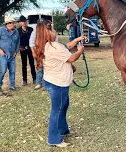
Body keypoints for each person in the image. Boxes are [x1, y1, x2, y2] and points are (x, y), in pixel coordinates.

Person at [35, 18, 85, 147]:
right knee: (57, 110)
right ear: (48, 32)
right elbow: (71, 57)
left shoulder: (47, 45)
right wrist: (79, 51)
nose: (55, 31)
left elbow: (66, 47)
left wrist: (76, 40)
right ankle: (54, 139)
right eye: (52, 28)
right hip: (59, 84)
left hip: (52, 82)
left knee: (63, 106)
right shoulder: (54, 47)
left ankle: (63, 130)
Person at [0, 16, 20, 93]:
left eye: (14, 23)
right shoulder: (0, 30)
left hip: (12, 55)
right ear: (8, 23)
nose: (14, 24)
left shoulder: (16, 32)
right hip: (3, 55)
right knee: (3, 70)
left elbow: (18, 42)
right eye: (12, 23)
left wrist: (16, 51)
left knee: (12, 71)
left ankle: (12, 86)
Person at [29, 19, 58, 90]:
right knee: (39, 67)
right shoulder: (35, 32)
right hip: (39, 51)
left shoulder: (50, 31)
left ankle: (47, 83)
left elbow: (56, 41)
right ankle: (39, 83)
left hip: (49, 51)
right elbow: (31, 43)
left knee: (48, 67)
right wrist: (33, 52)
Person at [17, 15, 36, 86]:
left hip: (30, 49)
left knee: (32, 64)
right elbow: (17, 41)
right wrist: (19, 47)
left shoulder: (31, 29)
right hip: (23, 50)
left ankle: (34, 79)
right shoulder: (18, 31)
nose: (24, 23)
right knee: (24, 65)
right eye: (22, 22)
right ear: (20, 23)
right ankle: (24, 80)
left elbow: (34, 38)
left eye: (25, 21)